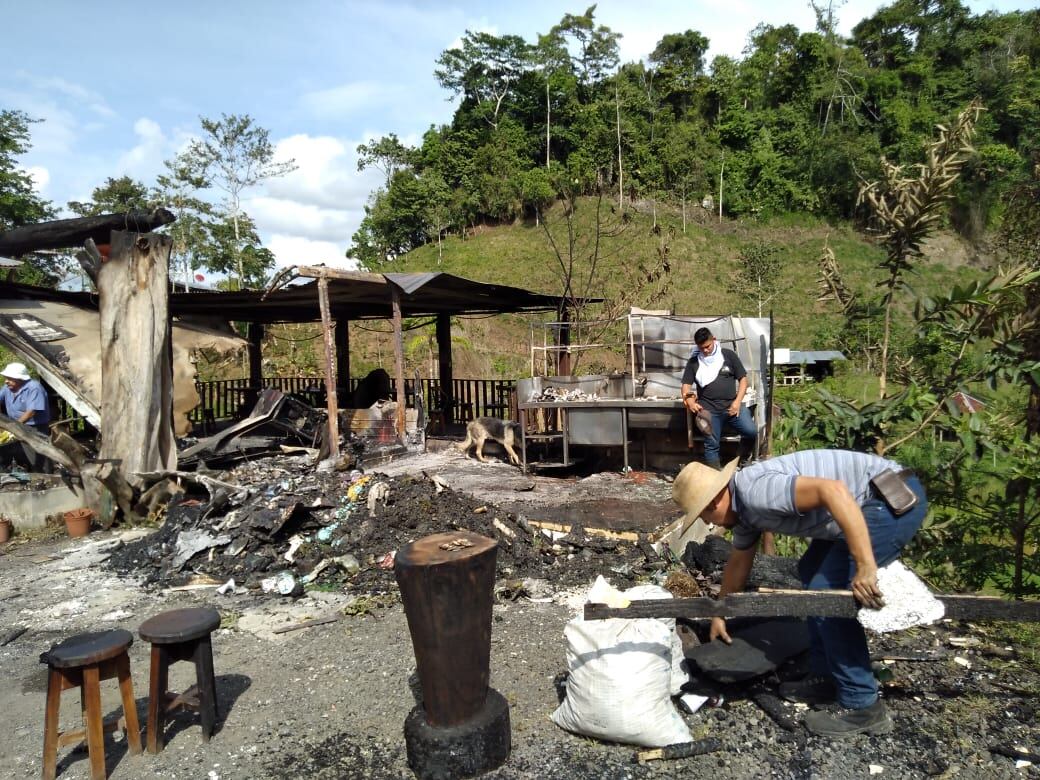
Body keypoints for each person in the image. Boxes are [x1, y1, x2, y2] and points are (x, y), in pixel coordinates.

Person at [672, 449, 928, 738]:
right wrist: (720, 612)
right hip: (863, 505)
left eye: (707, 514)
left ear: (716, 499)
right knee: (811, 572)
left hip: (887, 501)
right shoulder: (744, 513)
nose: (713, 524)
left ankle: (862, 705)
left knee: (827, 595)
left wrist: (865, 565)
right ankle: (826, 676)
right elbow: (738, 562)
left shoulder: (756, 492)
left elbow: (833, 490)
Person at [680, 327, 757, 468]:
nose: (705, 350)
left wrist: (737, 402)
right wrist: (690, 402)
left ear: (714, 340)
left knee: (751, 431)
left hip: (732, 407)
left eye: (707, 346)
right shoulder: (694, 362)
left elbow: (743, 380)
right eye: (701, 347)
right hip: (708, 410)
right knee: (711, 444)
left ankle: (742, 460)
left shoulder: (728, 356)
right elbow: (686, 386)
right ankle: (715, 477)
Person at [0, 362, 51, 470]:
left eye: (9, 378)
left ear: (19, 378)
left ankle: (46, 475)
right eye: (6, 378)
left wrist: (13, 427)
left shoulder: (34, 388)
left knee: (39, 454)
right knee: (22, 454)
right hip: (16, 425)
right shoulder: (7, 388)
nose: (6, 381)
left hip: (35, 427)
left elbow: (31, 412)